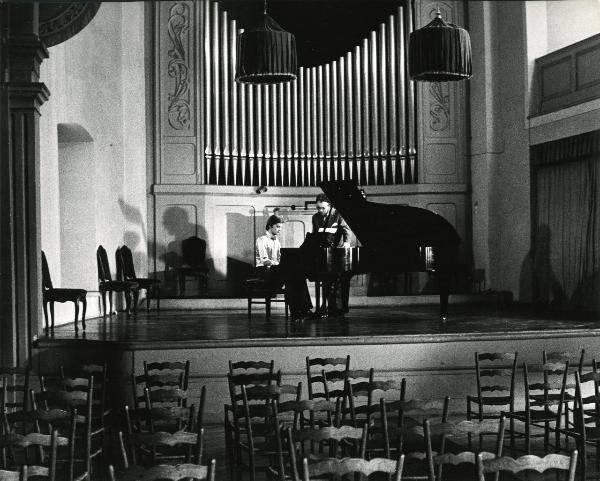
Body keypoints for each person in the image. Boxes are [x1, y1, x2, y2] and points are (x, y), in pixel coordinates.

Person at [255, 214, 313, 321]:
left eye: (280, 227)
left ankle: (303, 310)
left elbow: (279, 260)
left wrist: (283, 264)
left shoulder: (277, 241)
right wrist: (281, 265)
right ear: (270, 226)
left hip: (275, 271)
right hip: (264, 272)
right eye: (278, 227)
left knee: (297, 275)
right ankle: (297, 312)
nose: (280, 229)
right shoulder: (261, 240)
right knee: (291, 274)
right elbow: (265, 261)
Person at [311, 193, 352, 315]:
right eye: (318, 208)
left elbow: (346, 230)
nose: (320, 210)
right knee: (326, 280)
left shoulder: (338, 214)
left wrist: (346, 243)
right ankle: (327, 307)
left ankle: (339, 308)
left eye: (322, 208)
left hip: (338, 253)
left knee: (338, 281)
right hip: (323, 253)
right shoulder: (315, 217)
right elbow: (315, 235)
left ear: (329, 206)